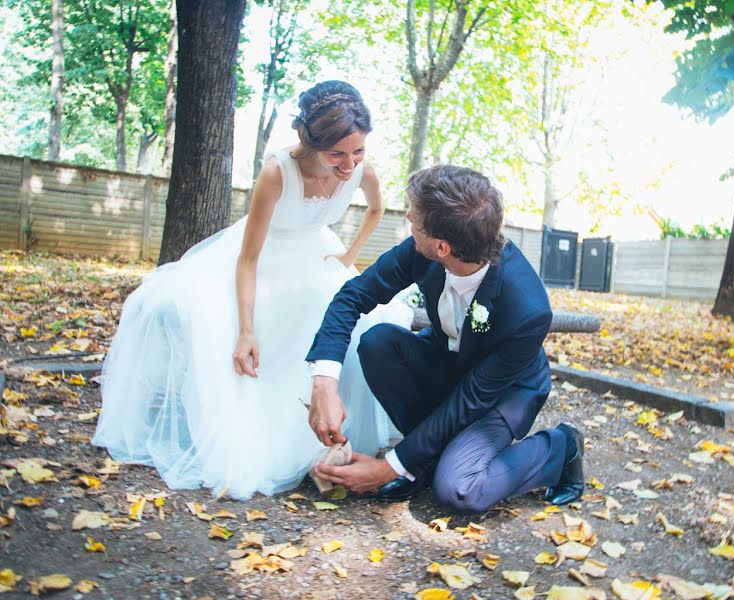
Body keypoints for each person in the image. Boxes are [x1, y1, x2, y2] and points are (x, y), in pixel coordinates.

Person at [92, 81, 411, 500]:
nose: (349, 165)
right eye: (337, 154)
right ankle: (260, 431)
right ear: (311, 141)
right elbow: (247, 259)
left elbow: (376, 209)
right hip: (261, 258)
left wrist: (348, 256)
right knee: (241, 335)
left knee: (341, 322)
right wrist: (246, 329)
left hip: (318, 257)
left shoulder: (360, 170)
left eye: (358, 152)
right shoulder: (278, 171)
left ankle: (320, 428)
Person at [306, 165, 584, 514]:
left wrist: (385, 468)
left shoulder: (529, 310)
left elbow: (470, 400)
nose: (407, 217)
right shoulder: (421, 250)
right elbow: (353, 296)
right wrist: (324, 382)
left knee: (459, 490)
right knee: (378, 344)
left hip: (500, 395)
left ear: (441, 247)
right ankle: (419, 463)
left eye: (414, 219)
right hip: (447, 364)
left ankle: (561, 447)